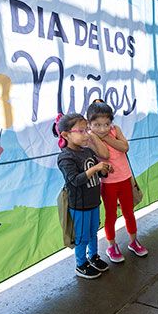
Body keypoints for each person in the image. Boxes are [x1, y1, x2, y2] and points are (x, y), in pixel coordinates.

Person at [87, 100, 148, 262]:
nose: (103, 128)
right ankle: (111, 245)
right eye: (97, 125)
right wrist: (100, 137)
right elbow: (105, 155)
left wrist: (107, 137)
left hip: (125, 178)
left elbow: (125, 147)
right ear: (89, 124)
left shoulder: (115, 130)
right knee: (111, 216)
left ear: (111, 122)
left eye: (106, 124)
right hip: (108, 184)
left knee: (129, 212)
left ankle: (134, 241)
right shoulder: (90, 138)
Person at [53, 112, 111, 279]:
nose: (87, 134)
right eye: (82, 131)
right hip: (80, 205)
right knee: (82, 236)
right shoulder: (65, 157)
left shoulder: (87, 152)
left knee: (93, 232)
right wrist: (95, 168)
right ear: (66, 134)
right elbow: (75, 180)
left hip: (93, 202)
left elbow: (97, 175)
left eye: (87, 130)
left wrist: (104, 170)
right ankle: (81, 264)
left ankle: (93, 257)